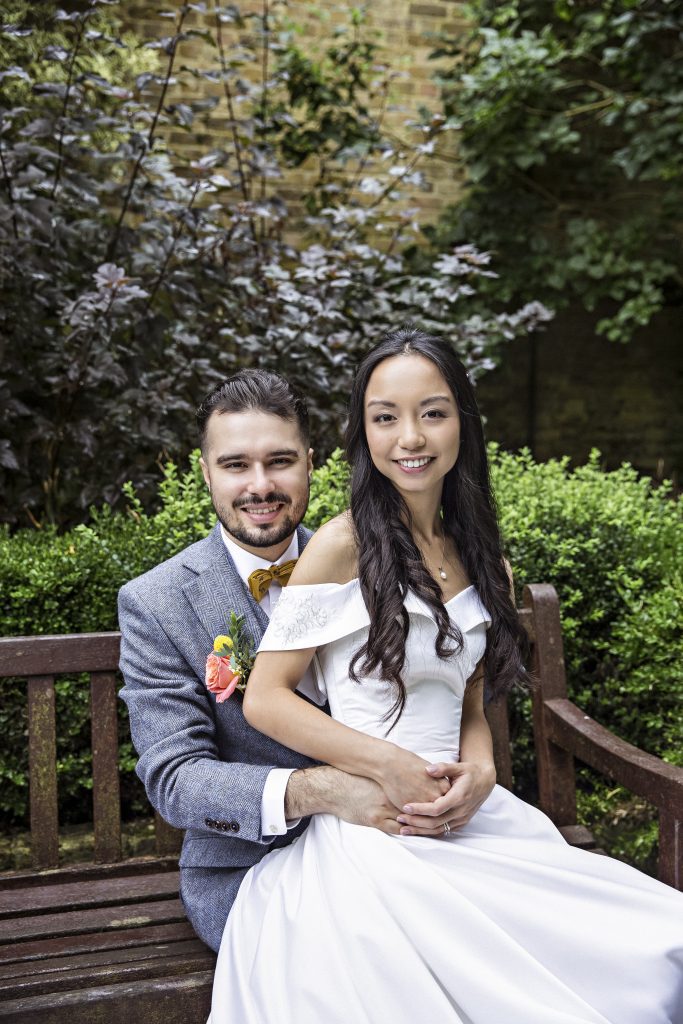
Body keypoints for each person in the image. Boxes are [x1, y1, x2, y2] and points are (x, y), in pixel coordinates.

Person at [209, 330, 683, 1024]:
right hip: (375, 829)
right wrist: (389, 766)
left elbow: (465, 693)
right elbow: (266, 701)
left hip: (469, 814)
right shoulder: (342, 547)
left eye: (432, 412)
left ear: (462, 418)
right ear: (361, 431)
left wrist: (483, 768)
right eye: (384, 416)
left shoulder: (481, 553)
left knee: (654, 939)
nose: (410, 437)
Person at [118, 368, 496, 952]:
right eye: (236, 465)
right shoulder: (158, 603)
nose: (260, 485)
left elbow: (455, 684)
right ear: (206, 473)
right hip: (255, 866)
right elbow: (176, 780)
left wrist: (478, 769)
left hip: (413, 837)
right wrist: (321, 791)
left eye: (281, 461)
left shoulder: (369, 552)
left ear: (311, 463)